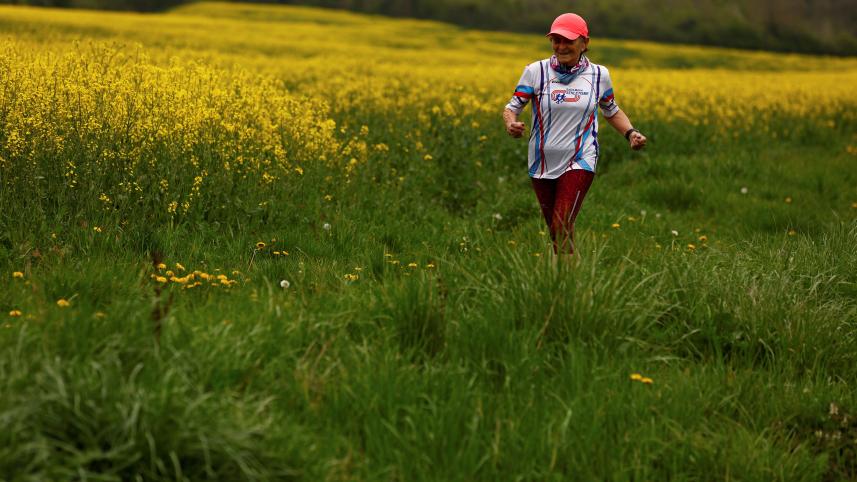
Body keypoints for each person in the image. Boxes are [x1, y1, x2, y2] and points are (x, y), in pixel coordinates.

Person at [503, 13, 646, 257]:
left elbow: (611, 110)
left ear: (584, 43)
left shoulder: (599, 75)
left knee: (561, 223)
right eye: (556, 40)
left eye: (568, 41)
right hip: (541, 161)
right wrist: (511, 124)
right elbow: (512, 107)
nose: (561, 46)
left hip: (580, 158)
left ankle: (567, 273)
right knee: (557, 229)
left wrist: (630, 132)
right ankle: (568, 275)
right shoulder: (536, 71)